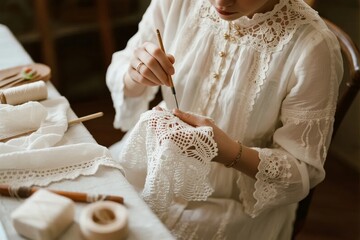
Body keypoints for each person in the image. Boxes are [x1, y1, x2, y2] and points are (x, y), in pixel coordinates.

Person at [106, 0, 343, 239]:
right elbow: (123, 66)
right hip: (150, 163)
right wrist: (135, 74)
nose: (221, 2)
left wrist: (229, 152)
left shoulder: (314, 46)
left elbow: (301, 171)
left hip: (233, 202)